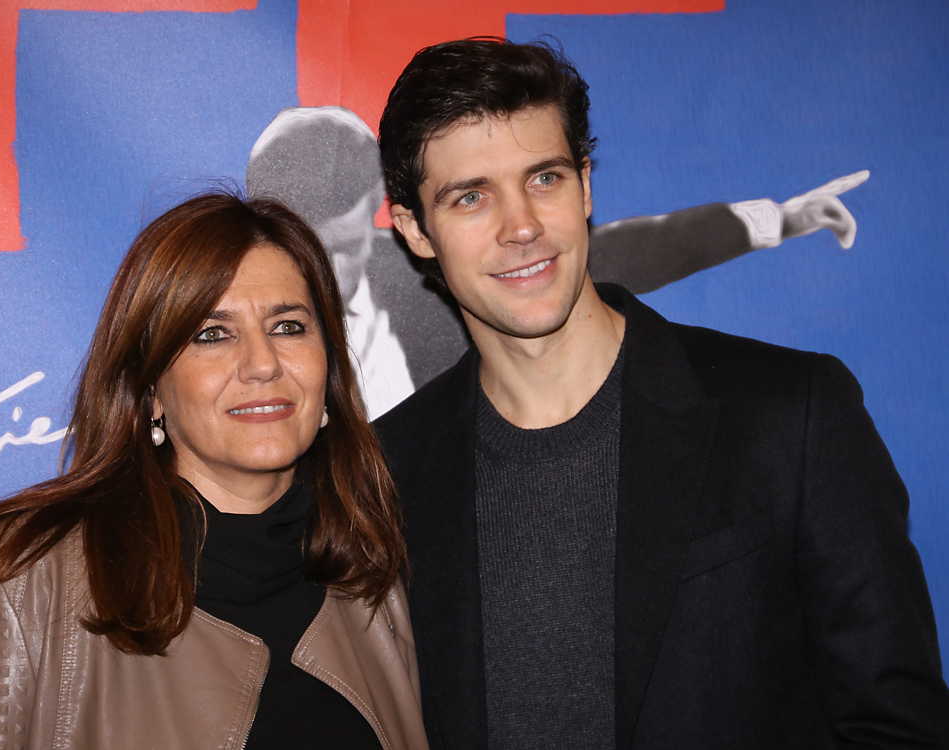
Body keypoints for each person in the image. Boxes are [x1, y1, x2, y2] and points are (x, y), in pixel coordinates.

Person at [374, 38, 949, 749]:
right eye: (470, 196)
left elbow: (897, 727)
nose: (520, 226)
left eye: (544, 178)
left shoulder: (790, 415)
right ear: (413, 229)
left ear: (585, 185)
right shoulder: (385, 470)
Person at [0, 193, 428, 749]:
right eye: (212, 334)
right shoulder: (25, 573)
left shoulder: (381, 566)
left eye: (288, 326)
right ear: (151, 387)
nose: (263, 363)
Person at [247, 107, 868, 418]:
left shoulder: (444, 276)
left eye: (345, 246)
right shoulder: (224, 324)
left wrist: (779, 219)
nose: (326, 269)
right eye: (305, 247)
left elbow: (636, 249)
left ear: (387, 217)